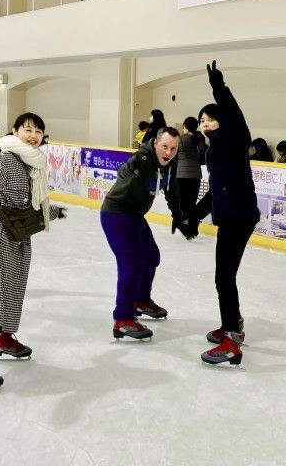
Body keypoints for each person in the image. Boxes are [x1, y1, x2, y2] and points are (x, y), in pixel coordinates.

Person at [0, 113, 67, 387]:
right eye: (27, 129)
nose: (33, 135)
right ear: (15, 131)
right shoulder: (8, 158)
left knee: (12, 291)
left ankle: (3, 336)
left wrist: (52, 211)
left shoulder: (33, 165)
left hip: (18, 234)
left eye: (38, 131)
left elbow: (32, 204)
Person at [194, 61, 260, 366]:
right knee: (224, 276)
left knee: (224, 277)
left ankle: (232, 338)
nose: (206, 123)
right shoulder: (213, 151)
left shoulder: (234, 140)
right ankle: (232, 325)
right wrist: (193, 215)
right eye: (202, 120)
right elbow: (215, 191)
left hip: (239, 215)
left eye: (211, 119)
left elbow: (235, 116)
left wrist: (219, 89)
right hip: (231, 215)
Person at [101, 126, 192, 342]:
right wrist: (132, 168)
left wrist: (178, 217)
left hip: (134, 215)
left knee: (151, 257)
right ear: (155, 144)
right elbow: (125, 170)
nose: (168, 152)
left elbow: (173, 191)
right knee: (131, 264)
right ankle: (123, 318)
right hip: (117, 213)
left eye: (173, 148)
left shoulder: (170, 162)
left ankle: (140, 300)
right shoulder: (142, 158)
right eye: (164, 146)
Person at [177, 117, 205, 223]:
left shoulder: (180, 138)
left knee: (182, 199)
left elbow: (174, 155)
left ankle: (184, 220)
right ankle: (190, 221)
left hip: (181, 174)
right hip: (195, 175)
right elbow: (203, 150)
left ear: (185, 126)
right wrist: (199, 160)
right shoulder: (199, 137)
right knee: (192, 200)